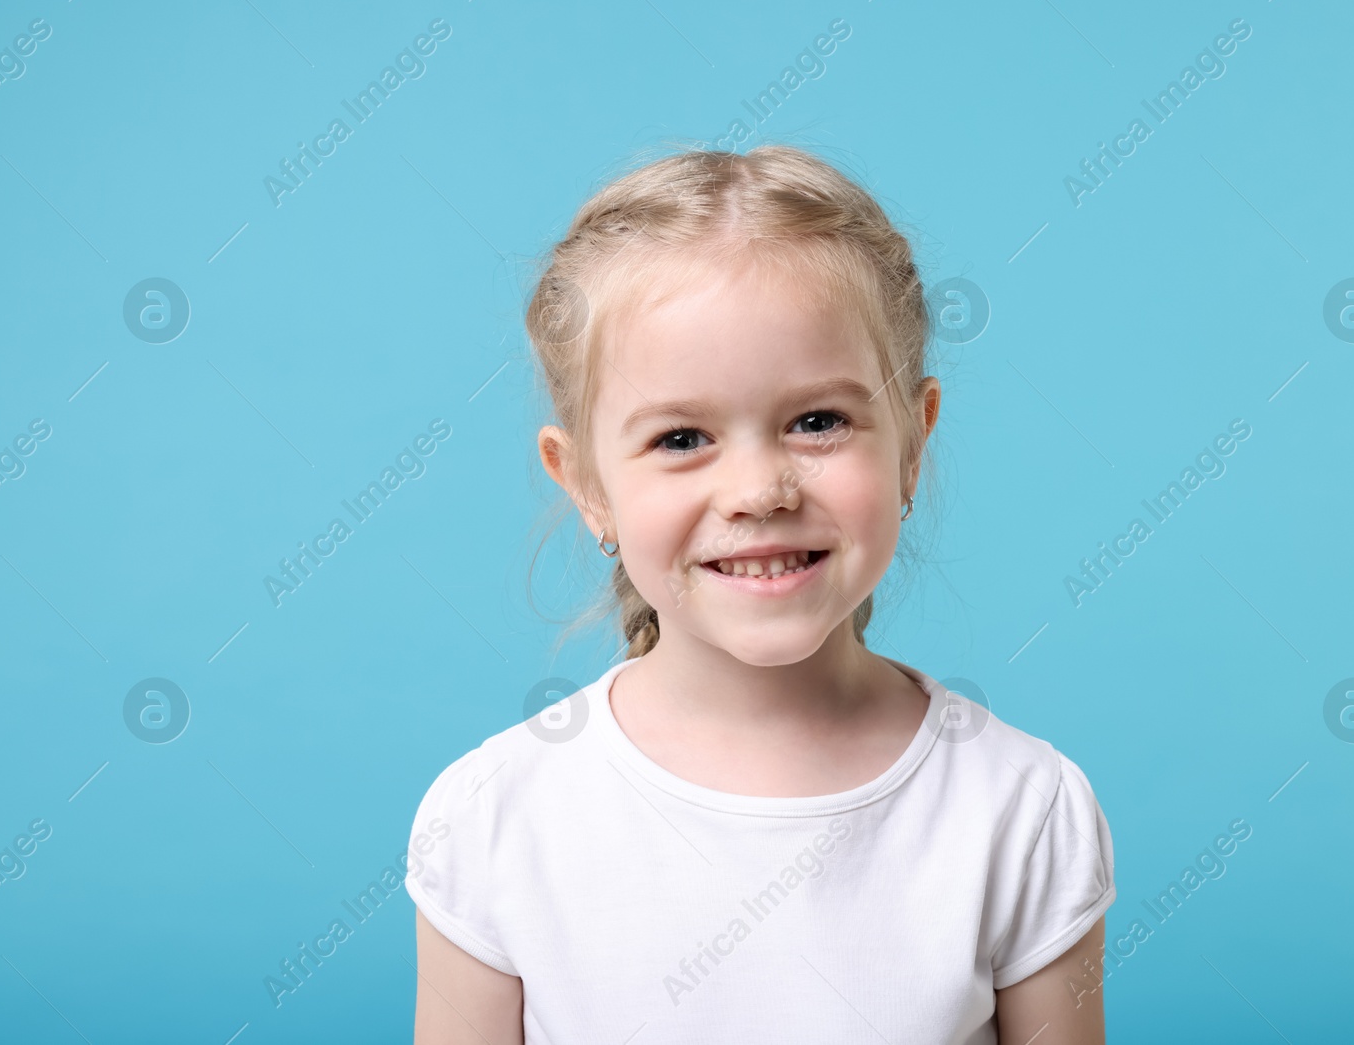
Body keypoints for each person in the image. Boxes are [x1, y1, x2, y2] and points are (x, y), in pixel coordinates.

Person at [405, 144, 1115, 1044]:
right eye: (680, 436)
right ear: (583, 481)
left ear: (912, 439)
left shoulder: (1021, 808)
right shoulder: (492, 818)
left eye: (818, 421)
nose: (759, 488)